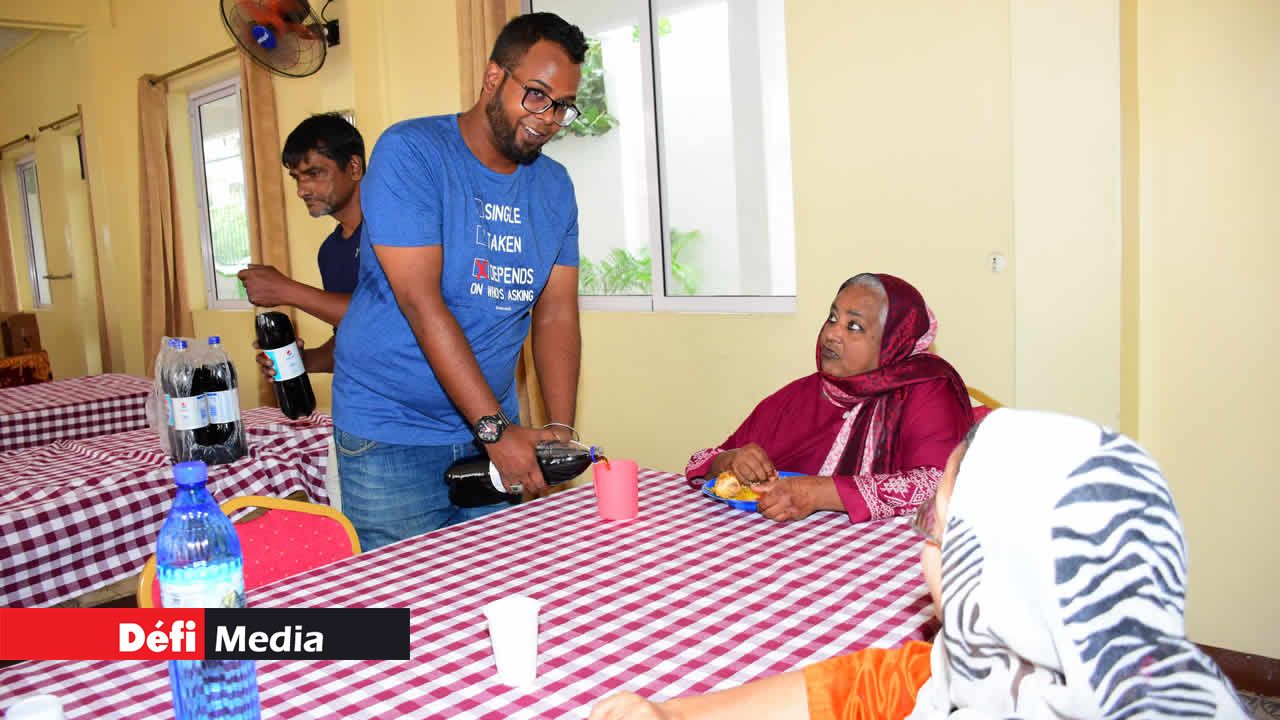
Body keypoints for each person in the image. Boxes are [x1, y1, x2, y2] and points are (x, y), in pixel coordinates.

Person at [591, 409, 1250, 719]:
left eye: (936, 527)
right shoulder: (999, 665)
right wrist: (670, 715)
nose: (920, 546)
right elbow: (864, 687)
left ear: (998, 572)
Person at [330, 12, 586, 550]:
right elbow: (422, 303)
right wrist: (493, 430)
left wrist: (560, 428)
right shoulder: (411, 153)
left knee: (500, 590)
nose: (549, 118)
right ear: (494, 77)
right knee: (402, 608)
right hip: (389, 433)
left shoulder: (556, 188)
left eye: (563, 105)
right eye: (537, 95)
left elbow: (557, 313)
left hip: (494, 427)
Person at [686, 273, 973, 525]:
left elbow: (939, 483)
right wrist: (730, 462)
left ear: (893, 341)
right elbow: (703, 460)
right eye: (833, 318)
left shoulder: (927, 389)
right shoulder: (800, 396)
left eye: (854, 327)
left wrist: (817, 493)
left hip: (894, 559)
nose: (832, 334)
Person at [238, 112, 365, 374]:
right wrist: (303, 361)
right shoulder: (330, 251)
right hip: (361, 403)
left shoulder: (393, 233)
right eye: (297, 177)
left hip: (415, 407)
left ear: (354, 167)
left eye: (314, 173)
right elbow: (352, 337)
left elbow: (387, 318)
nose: (302, 190)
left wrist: (286, 290)